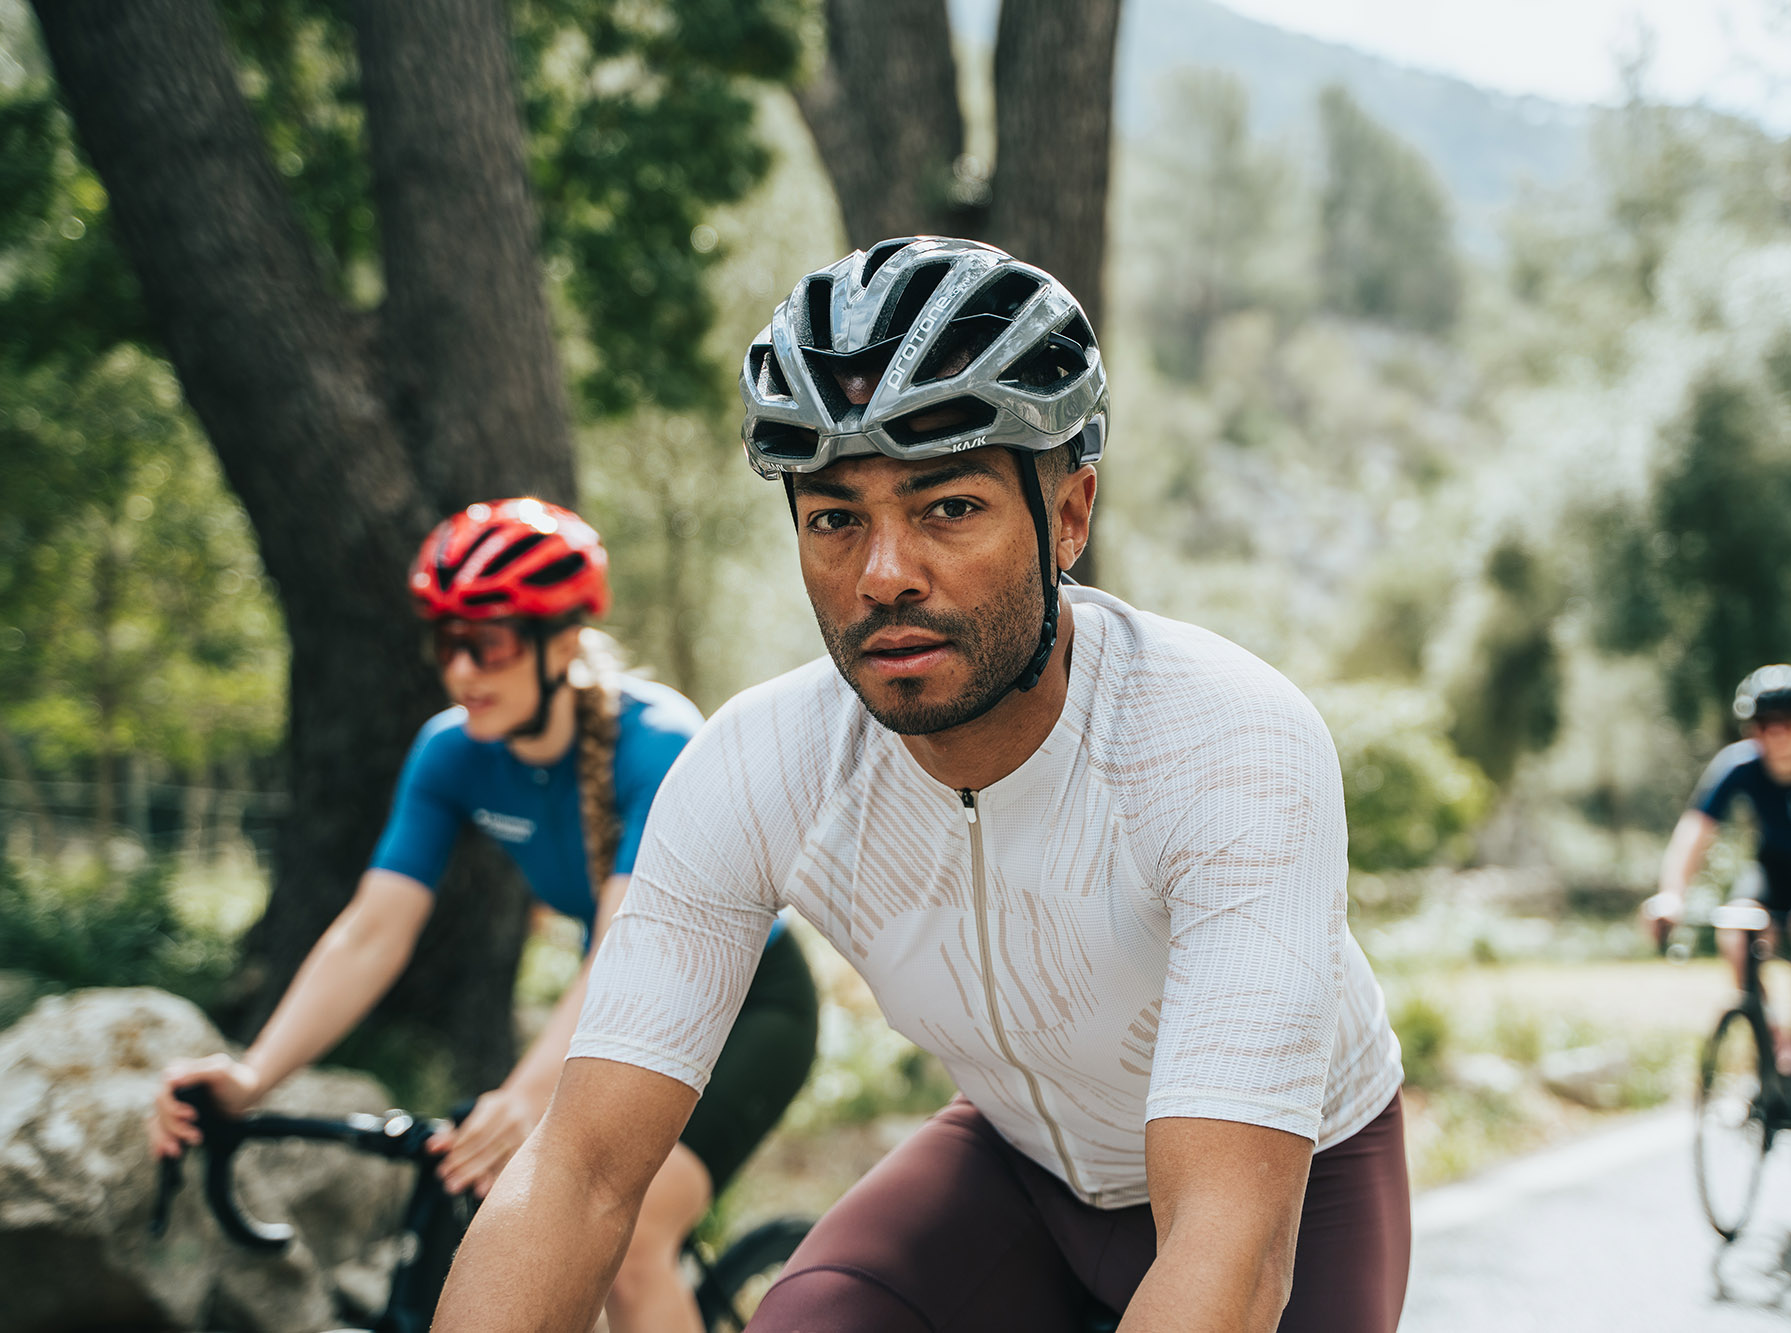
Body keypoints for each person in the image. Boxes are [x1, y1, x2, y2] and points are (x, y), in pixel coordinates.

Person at [434, 237, 1409, 1333]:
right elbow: (578, 1173)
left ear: (1069, 514)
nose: (883, 572)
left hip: (1287, 1184)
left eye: (947, 507)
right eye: (834, 518)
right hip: (1019, 1169)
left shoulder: (1224, 742)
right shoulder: (756, 766)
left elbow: (1226, 1248)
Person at [148, 498, 818, 1333]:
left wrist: (528, 1092)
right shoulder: (451, 751)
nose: (462, 670)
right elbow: (370, 932)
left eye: (488, 642)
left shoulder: (659, 742)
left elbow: (627, 948)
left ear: (563, 640)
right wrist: (252, 1076)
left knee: (636, 1237)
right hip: (617, 993)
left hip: (752, 1003)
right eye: (447, 640)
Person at [1645, 664, 1791, 1147]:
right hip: (1775, 874)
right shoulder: (1739, 765)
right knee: (1736, 933)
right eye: (1764, 725)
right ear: (1752, 730)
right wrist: (1671, 895)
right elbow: (1694, 833)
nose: (1777, 735)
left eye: (1788, 723)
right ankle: (1773, 1051)